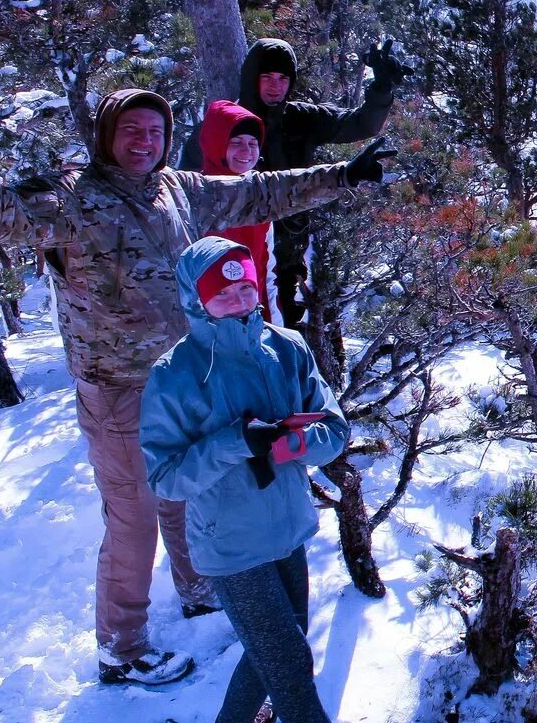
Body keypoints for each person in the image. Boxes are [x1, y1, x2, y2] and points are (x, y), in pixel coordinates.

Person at [0, 90, 394, 685]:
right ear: (105, 136)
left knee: (187, 489)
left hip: (184, 378)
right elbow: (0, 218)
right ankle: (121, 647)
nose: (144, 141)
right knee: (134, 516)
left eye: (155, 129)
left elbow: (257, 191)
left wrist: (343, 175)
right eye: (131, 130)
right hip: (117, 388)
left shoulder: (176, 189)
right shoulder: (73, 197)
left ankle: (197, 586)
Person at [142, 236, 347, 723]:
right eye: (222, 294)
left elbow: (336, 430)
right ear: (196, 300)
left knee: (269, 658)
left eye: (246, 290)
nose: (238, 303)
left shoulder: (288, 348)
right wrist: (236, 442)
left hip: (289, 527)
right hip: (231, 545)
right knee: (291, 666)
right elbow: (165, 477)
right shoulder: (174, 375)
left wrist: (293, 444)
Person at [236, 37, 410, 326]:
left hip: (287, 260)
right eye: (266, 77)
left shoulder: (299, 117)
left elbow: (360, 124)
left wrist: (381, 89)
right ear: (251, 78)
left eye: (283, 78)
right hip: (239, 259)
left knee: (288, 339)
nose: (275, 86)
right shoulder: (228, 121)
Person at [199, 99, 280, 323]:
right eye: (236, 142)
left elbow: (267, 273)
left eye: (253, 143)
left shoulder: (260, 201)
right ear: (216, 143)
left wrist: (273, 327)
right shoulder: (193, 198)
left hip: (251, 321)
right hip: (204, 329)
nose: (246, 151)